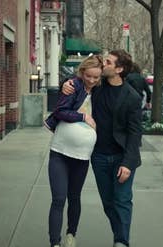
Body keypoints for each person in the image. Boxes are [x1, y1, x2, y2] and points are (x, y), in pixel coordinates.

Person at [62, 50, 143, 247]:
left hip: (121, 158)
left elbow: (135, 133)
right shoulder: (97, 87)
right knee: (108, 203)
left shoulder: (131, 97)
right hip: (98, 156)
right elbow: (84, 76)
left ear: (119, 69)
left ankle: (121, 241)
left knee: (122, 201)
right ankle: (119, 235)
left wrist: (127, 163)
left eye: (108, 61)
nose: (103, 63)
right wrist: (68, 82)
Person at [43, 55, 103, 247]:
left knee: (74, 197)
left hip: (82, 156)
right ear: (82, 72)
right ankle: (54, 243)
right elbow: (60, 111)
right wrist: (82, 116)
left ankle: (71, 234)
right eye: (89, 76)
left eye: (96, 77)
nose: (92, 80)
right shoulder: (74, 86)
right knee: (59, 199)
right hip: (60, 152)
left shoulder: (100, 91)